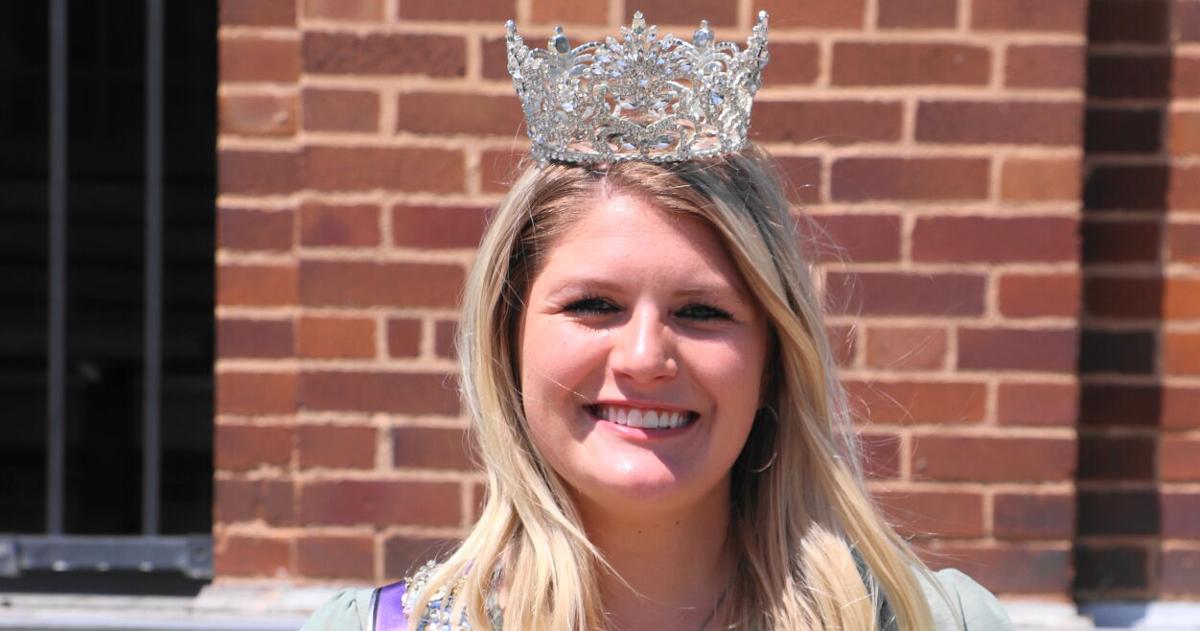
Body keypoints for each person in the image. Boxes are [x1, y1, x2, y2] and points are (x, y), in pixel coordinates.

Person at [301, 11, 1013, 631]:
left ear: (772, 361)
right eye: (593, 306)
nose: (645, 356)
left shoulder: (932, 621)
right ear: (506, 339)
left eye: (701, 311)